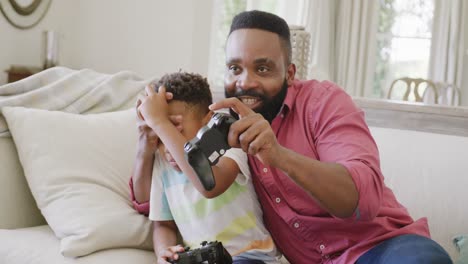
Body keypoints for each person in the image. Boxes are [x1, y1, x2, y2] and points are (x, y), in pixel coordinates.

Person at [130, 10, 452, 264]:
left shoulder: (324, 103)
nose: (246, 83)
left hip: (380, 248)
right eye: (234, 68)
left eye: (264, 69)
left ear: (291, 73)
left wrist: (279, 155)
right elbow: (167, 194)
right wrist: (151, 135)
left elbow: (363, 197)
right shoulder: (221, 125)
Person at [136, 72, 280, 264]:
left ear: (208, 120)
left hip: (250, 256)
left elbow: (211, 184)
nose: (167, 140)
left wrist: (160, 122)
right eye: (160, 133)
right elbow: (163, 224)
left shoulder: (229, 145)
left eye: (174, 127)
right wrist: (164, 251)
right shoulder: (162, 163)